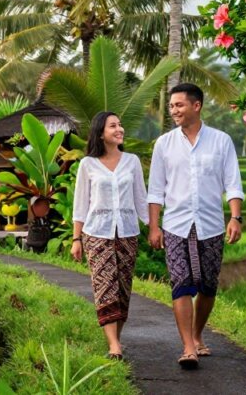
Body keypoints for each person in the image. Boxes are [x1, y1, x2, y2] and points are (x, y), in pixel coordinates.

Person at [146, 83, 244, 369]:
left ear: (196, 105)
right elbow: (155, 191)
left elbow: (233, 183)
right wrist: (154, 227)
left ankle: (198, 334)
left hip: (211, 225)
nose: (174, 110)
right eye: (171, 106)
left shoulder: (221, 141)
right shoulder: (164, 144)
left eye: (179, 105)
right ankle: (188, 347)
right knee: (181, 283)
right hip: (176, 225)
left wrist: (235, 217)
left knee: (208, 286)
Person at [71, 111, 150, 361]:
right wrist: (76, 239)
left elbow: (141, 199)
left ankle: (116, 338)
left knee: (123, 289)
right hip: (96, 233)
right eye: (113, 126)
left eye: (120, 125)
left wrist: (154, 228)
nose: (119, 129)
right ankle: (114, 345)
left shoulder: (132, 162)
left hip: (127, 232)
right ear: (100, 133)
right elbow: (81, 204)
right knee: (105, 287)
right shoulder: (88, 164)